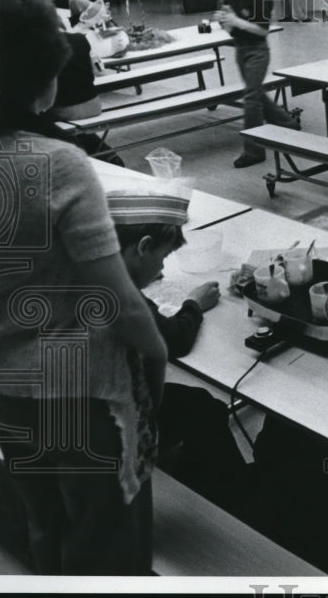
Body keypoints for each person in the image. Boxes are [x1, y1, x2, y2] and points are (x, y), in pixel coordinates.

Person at [0, 0, 167, 575]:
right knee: (108, 545)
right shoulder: (60, 164)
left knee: (43, 523)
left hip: (3, 394)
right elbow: (118, 304)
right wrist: (157, 355)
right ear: (38, 77)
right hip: (85, 396)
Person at [102, 179, 250, 513]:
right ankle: (231, 498)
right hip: (103, 429)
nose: (163, 267)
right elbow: (177, 340)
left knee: (195, 400)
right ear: (142, 247)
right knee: (205, 408)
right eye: (163, 256)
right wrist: (194, 304)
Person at [216, 0, 301, 168]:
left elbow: (262, 31)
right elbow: (232, 31)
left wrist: (236, 21)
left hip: (257, 52)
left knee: (251, 98)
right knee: (257, 93)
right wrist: (226, 23)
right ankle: (287, 123)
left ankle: (254, 149)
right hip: (241, 51)